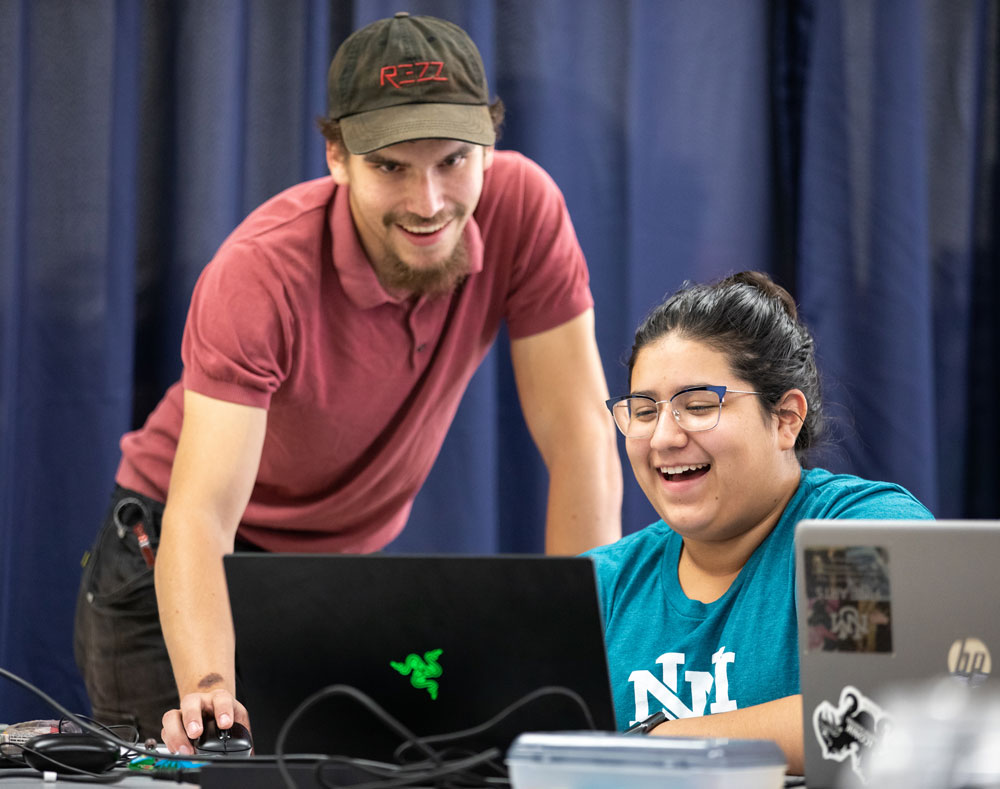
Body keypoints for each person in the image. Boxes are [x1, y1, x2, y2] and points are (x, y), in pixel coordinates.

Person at [73, 12, 622, 752]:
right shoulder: (260, 273)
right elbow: (201, 517)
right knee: (217, 762)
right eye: (392, 166)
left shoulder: (525, 209)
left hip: (326, 578)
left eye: (454, 160)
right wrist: (208, 692)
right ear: (337, 156)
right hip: (174, 555)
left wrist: (580, 657)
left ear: (490, 147)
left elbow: (581, 432)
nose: (428, 202)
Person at [585, 271, 932, 774]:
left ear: (786, 419)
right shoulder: (604, 583)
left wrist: (654, 744)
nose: (663, 437)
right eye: (643, 411)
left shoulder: (854, 533)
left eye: (697, 406)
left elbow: (870, 714)